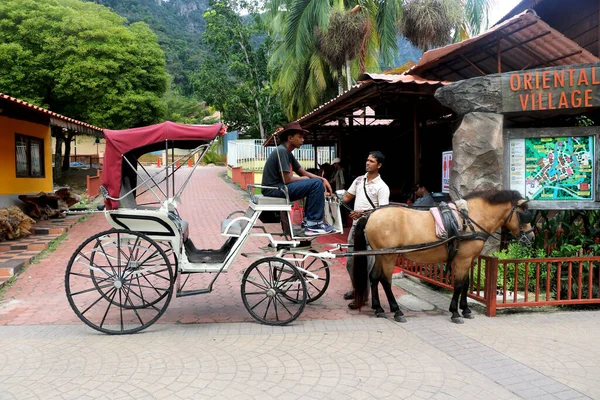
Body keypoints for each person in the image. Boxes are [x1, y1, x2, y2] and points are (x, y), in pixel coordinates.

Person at [262, 121, 334, 236]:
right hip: (275, 189)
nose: (303, 140)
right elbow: (287, 180)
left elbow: (302, 172)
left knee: (316, 183)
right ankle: (313, 224)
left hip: (279, 188)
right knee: (315, 184)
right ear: (290, 138)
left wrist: (322, 179)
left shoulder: (287, 153)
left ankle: (309, 222)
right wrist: (307, 179)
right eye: (300, 137)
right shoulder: (282, 151)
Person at [340, 151, 390, 309]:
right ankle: (357, 289)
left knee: (366, 264)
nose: (367, 163)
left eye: (372, 161)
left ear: (379, 165)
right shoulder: (359, 180)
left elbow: (382, 212)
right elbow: (346, 198)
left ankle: (363, 296)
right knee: (350, 262)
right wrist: (333, 196)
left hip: (370, 230)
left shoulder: (382, 187)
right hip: (356, 227)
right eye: (367, 160)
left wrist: (362, 213)